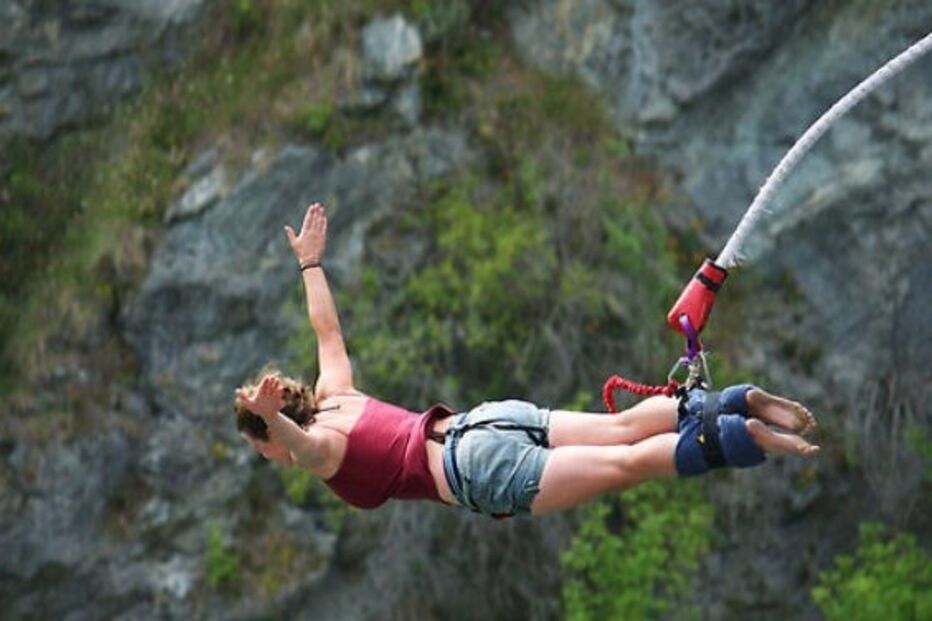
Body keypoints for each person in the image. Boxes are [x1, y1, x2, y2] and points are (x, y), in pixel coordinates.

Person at [234, 203, 819, 517]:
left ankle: (741, 438)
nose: (274, 458)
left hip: (477, 471)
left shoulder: (321, 451)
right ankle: (732, 402)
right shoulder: (337, 395)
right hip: (484, 420)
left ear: (270, 437)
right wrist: (310, 265)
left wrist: (272, 416)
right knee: (619, 431)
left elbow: (306, 449)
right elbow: (327, 332)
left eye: (264, 448)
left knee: (627, 466)